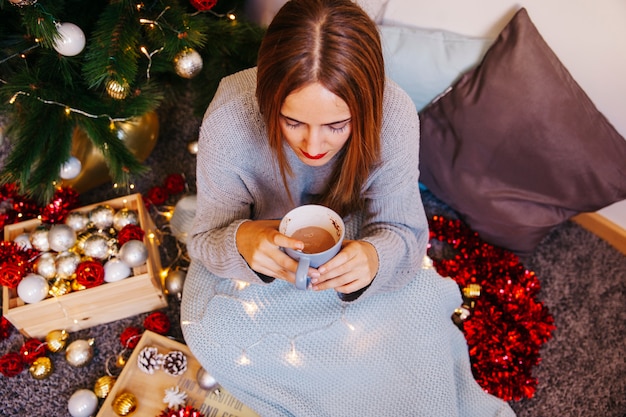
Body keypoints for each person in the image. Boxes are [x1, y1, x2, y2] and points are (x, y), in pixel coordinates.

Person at [181, 0, 516, 415]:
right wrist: (244, 241)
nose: (313, 147)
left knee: (410, 325)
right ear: (266, 96)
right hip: (261, 261)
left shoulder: (394, 115)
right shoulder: (231, 118)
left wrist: (375, 257)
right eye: (292, 121)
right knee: (211, 329)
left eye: (337, 126)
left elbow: (406, 233)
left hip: (356, 235)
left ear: (367, 105)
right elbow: (205, 240)